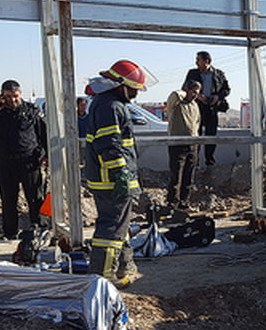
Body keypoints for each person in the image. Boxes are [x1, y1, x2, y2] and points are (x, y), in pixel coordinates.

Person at [85, 59, 156, 286]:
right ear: (121, 84)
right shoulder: (111, 106)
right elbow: (110, 145)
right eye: (134, 88)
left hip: (107, 179)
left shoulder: (105, 103)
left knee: (119, 227)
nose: (135, 93)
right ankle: (103, 281)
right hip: (111, 180)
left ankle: (121, 271)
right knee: (111, 231)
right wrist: (121, 175)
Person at [0, 80, 47, 240]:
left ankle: (40, 229)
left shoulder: (31, 111)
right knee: (8, 201)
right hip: (6, 162)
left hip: (29, 162)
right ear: (2, 95)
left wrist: (47, 156)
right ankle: (10, 233)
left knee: (36, 199)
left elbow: (43, 133)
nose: (12, 100)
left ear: (20, 94)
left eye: (15, 96)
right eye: (7, 97)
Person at [183, 51, 230, 166]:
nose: (196, 62)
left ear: (207, 61)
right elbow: (184, 88)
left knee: (211, 136)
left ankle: (210, 162)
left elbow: (226, 89)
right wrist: (198, 96)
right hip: (197, 109)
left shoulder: (219, 74)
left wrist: (217, 97)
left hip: (212, 109)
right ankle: (195, 163)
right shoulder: (192, 73)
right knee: (195, 135)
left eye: (198, 60)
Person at [166, 79, 201, 210]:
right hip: (177, 144)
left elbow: (196, 123)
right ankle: (172, 204)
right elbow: (174, 95)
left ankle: (184, 202)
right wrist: (184, 92)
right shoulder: (176, 104)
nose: (195, 95)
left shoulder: (194, 106)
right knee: (176, 176)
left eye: (197, 93)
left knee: (189, 176)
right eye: (193, 92)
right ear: (186, 90)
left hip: (192, 145)